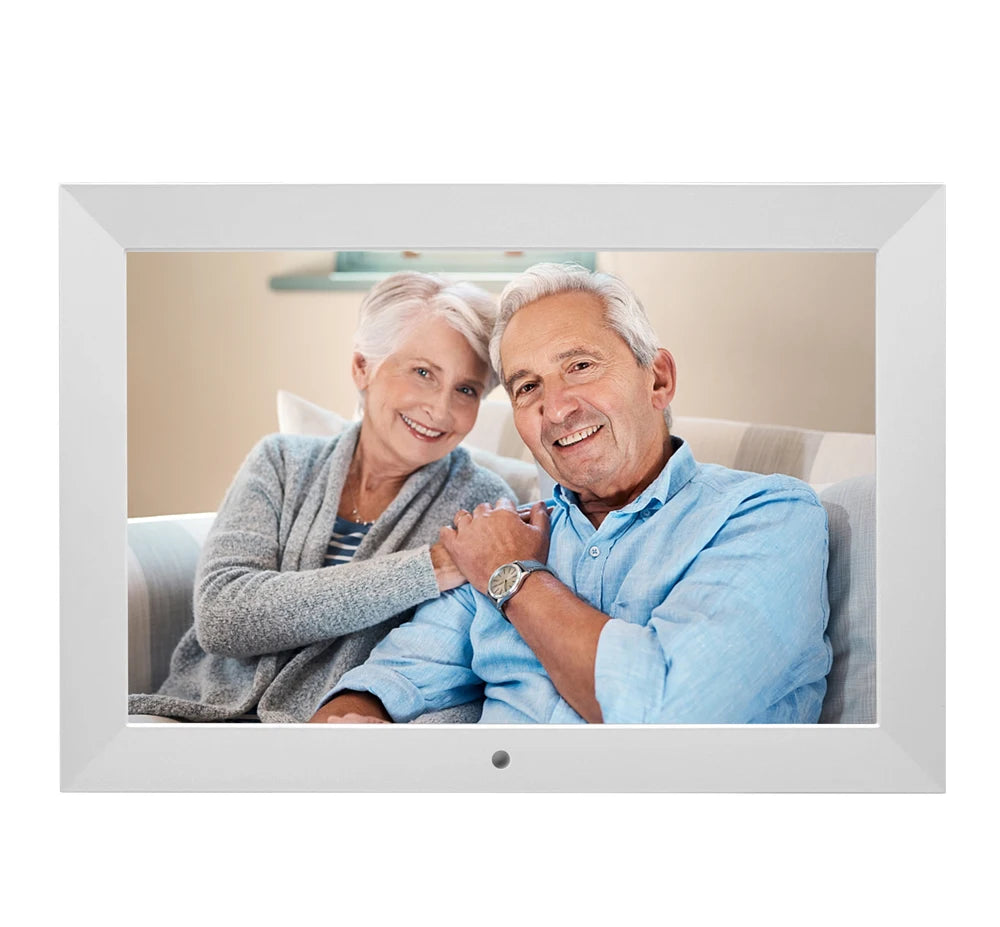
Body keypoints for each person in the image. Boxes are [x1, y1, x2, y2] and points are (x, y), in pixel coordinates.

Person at [310, 262, 832, 725]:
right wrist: (347, 720)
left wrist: (515, 580)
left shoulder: (765, 516)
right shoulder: (506, 532)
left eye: (580, 366)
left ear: (659, 380)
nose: (557, 409)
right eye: (527, 387)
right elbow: (392, 676)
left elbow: (663, 712)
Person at [128, 271, 517, 723]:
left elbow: (469, 673)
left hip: (344, 734)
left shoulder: (484, 504)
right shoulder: (281, 461)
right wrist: (427, 568)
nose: (441, 409)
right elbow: (222, 618)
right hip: (202, 711)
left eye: (466, 390)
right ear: (362, 367)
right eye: (423, 372)